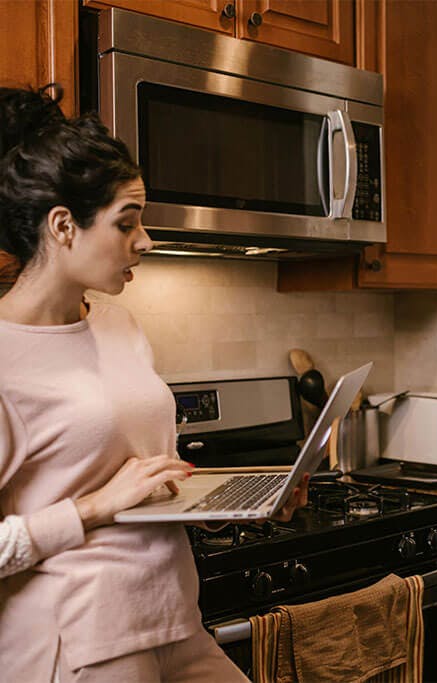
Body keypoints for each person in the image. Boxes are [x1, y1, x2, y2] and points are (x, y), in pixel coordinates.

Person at [0, 85, 310, 682]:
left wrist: (237, 507)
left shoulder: (120, 326)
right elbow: (107, 498)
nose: (145, 240)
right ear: (63, 226)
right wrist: (93, 507)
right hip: (78, 644)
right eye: (127, 222)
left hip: (174, 619)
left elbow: (149, 485)